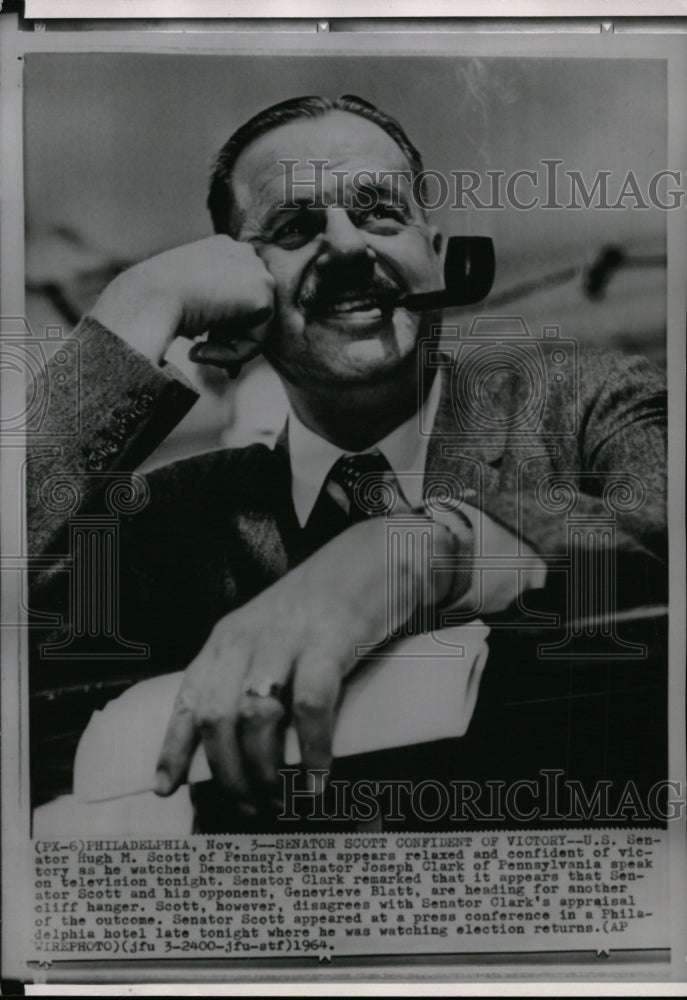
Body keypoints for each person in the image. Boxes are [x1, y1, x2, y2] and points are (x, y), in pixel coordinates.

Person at [28, 95, 667, 830]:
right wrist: (136, 309)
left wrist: (431, 549)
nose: (345, 247)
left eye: (377, 214)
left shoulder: (589, 403)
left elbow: (661, 519)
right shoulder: (177, 521)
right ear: (236, 284)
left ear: (437, 253)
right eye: (295, 228)